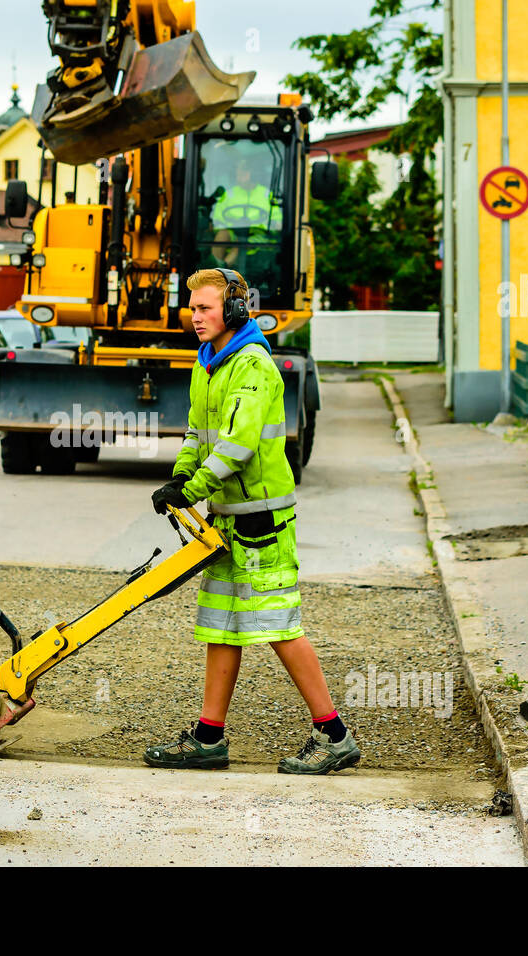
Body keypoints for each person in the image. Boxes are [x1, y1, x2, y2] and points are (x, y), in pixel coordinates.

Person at [145, 268, 360, 775]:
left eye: (205, 309)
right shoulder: (209, 362)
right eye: (192, 308)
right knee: (222, 627)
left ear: (236, 311)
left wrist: (193, 490)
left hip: (262, 522)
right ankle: (208, 738)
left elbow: (237, 447)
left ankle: (334, 736)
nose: (194, 317)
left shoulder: (253, 365)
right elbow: (198, 432)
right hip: (226, 521)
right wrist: (180, 478)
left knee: (279, 624)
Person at [210, 156, 283, 270]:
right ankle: (212, 269)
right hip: (234, 234)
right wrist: (221, 226)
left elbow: (277, 220)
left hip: (259, 237)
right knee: (222, 235)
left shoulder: (266, 194)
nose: (238, 176)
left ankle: (222, 270)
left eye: (243, 172)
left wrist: (275, 226)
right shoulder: (229, 194)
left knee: (242, 240)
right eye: (237, 172)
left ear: (253, 174)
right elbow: (217, 220)